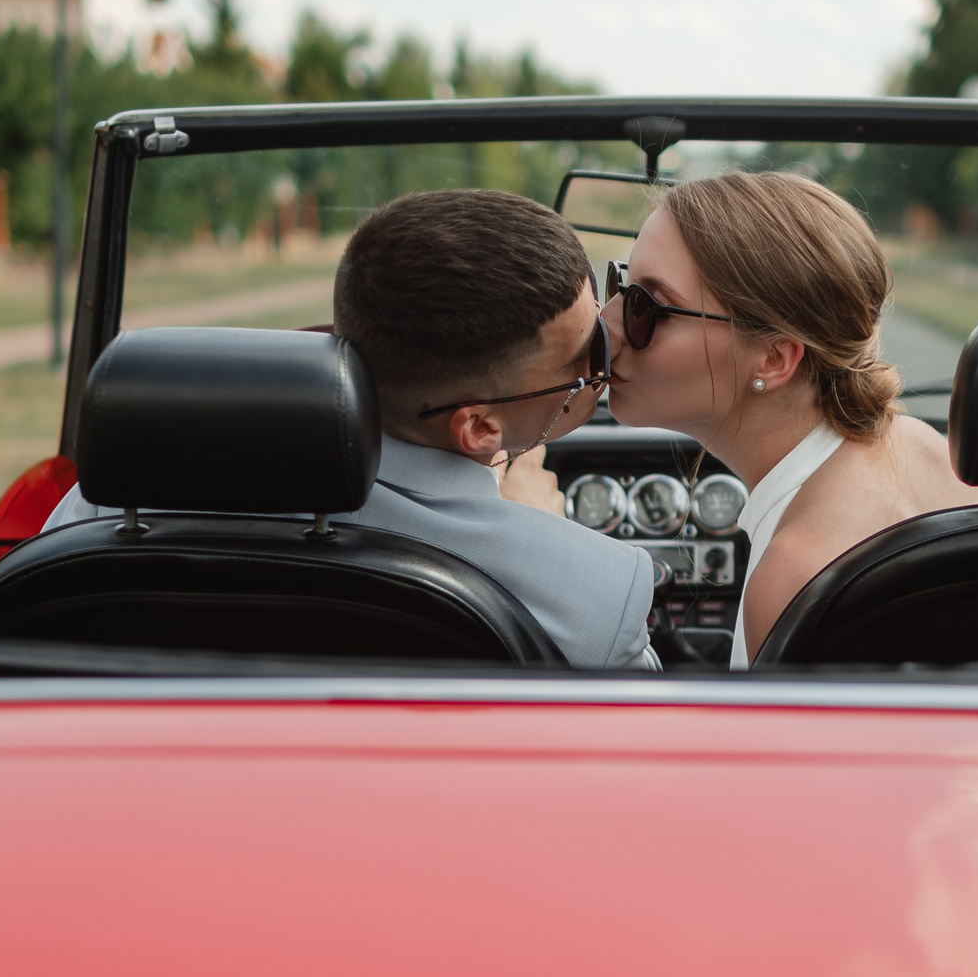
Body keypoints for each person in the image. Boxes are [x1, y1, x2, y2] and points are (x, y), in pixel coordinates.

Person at [48, 188, 657, 669]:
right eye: (588, 358)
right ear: (477, 427)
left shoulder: (93, 518)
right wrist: (541, 537)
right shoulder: (594, 593)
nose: (608, 358)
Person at [600, 169, 978, 666]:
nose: (606, 323)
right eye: (619, 283)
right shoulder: (924, 446)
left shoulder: (795, 574)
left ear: (775, 359)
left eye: (646, 306)